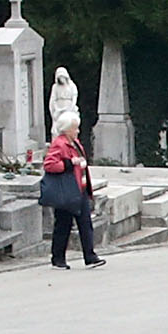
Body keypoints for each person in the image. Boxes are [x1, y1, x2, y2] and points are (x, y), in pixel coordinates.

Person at [41, 113, 103, 269]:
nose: (77, 131)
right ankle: (58, 258)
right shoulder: (59, 144)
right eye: (75, 128)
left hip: (79, 188)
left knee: (85, 222)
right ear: (67, 130)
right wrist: (69, 163)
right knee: (63, 224)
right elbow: (49, 165)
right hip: (67, 191)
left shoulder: (74, 143)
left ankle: (90, 256)